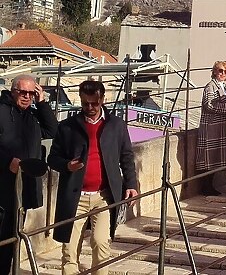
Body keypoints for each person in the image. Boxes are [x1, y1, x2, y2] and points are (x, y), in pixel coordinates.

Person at [48, 80, 138, 275]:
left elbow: (127, 156)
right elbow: (52, 158)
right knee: (70, 250)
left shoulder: (116, 125)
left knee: (101, 243)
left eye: (94, 103)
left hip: (104, 196)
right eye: (85, 103)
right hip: (74, 197)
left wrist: (131, 184)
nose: (90, 108)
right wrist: (67, 165)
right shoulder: (67, 127)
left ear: (102, 100)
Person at [0, 75, 57, 274]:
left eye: (31, 93)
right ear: (12, 91)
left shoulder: (33, 116)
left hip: (23, 190)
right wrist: (8, 161)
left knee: (12, 240)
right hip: (2, 189)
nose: (26, 97)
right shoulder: (1, 111)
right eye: (22, 92)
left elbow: (52, 131)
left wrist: (42, 103)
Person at [196, 60, 226, 195]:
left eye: (225, 71)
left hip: (220, 127)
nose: (223, 73)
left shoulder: (223, 87)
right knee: (209, 158)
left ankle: (210, 186)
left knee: (215, 158)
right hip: (211, 127)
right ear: (214, 71)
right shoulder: (211, 86)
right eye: (220, 70)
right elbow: (208, 105)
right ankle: (206, 187)